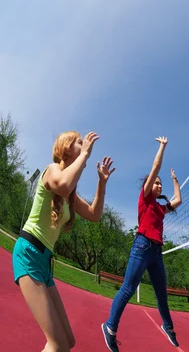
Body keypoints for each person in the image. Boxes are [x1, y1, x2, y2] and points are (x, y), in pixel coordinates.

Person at [13, 131, 115, 352]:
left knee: (68, 342)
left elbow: (94, 215)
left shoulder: (70, 193)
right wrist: (85, 155)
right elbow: (63, 184)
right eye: (80, 142)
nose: (85, 144)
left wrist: (102, 183)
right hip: (28, 252)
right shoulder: (52, 171)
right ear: (67, 148)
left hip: (44, 262)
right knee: (58, 345)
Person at [102, 137, 182, 352]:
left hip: (156, 252)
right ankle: (110, 327)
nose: (158, 185)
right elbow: (155, 167)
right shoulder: (145, 198)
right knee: (128, 289)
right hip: (142, 245)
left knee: (161, 294)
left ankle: (168, 326)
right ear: (149, 185)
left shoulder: (159, 208)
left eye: (160, 184)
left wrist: (174, 180)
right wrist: (163, 146)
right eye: (156, 182)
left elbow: (178, 200)